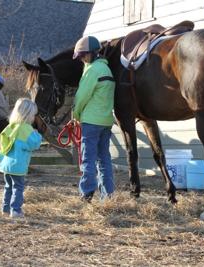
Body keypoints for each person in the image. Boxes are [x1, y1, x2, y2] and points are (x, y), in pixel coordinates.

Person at [72, 35, 116, 202]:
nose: (82, 59)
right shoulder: (107, 69)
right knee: (104, 160)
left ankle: (86, 194)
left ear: (91, 54)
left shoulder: (92, 70)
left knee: (88, 160)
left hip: (91, 122)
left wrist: (76, 115)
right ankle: (108, 196)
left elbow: (82, 96)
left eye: (83, 55)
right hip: (106, 122)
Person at [0, 98, 42, 218]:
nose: (33, 117)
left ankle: (5, 209)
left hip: (6, 164)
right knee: (18, 187)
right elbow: (34, 144)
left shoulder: (10, 126)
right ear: (28, 114)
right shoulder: (26, 129)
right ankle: (16, 210)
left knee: (8, 186)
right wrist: (38, 134)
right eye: (33, 115)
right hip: (17, 164)